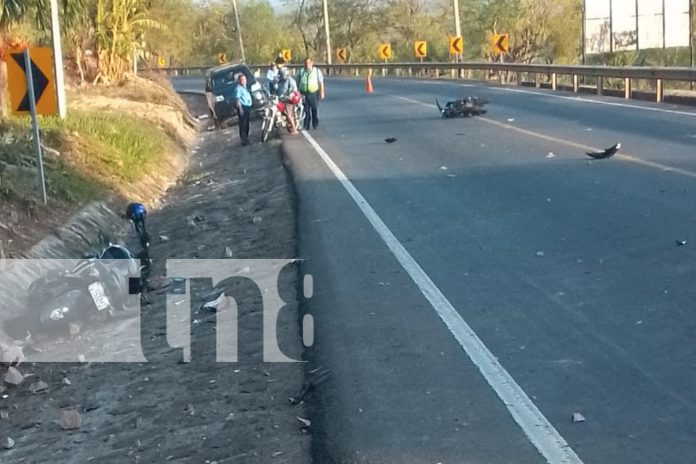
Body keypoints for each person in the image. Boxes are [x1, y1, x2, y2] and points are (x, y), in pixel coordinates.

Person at [296, 57, 324, 130]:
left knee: (314, 109)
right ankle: (306, 125)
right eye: (305, 63)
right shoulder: (301, 71)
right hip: (304, 93)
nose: (307, 64)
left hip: (314, 93)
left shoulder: (316, 71)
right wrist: (297, 92)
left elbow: (320, 82)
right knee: (306, 110)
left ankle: (315, 122)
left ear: (312, 63)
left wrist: (322, 92)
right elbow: (297, 82)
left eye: (308, 63)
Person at [277, 67, 300, 134]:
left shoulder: (290, 80)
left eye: (281, 74)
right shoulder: (280, 81)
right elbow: (276, 89)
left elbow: (294, 90)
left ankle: (295, 129)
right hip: (281, 99)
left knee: (288, 114)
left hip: (288, 100)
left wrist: (291, 95)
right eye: (280, 74)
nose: (280, 75)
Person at [234, 74, 253, 145]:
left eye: (245, 79)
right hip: (243, 108)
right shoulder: (238, 88)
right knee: (243, 124)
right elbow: (237, 100)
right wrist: (240, 109)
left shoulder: (244, 87)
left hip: (247, 107)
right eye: (242, 80)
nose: (244, 81)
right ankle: (244, 140)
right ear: (239, 81)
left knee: (247, 124)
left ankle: (246, 138)